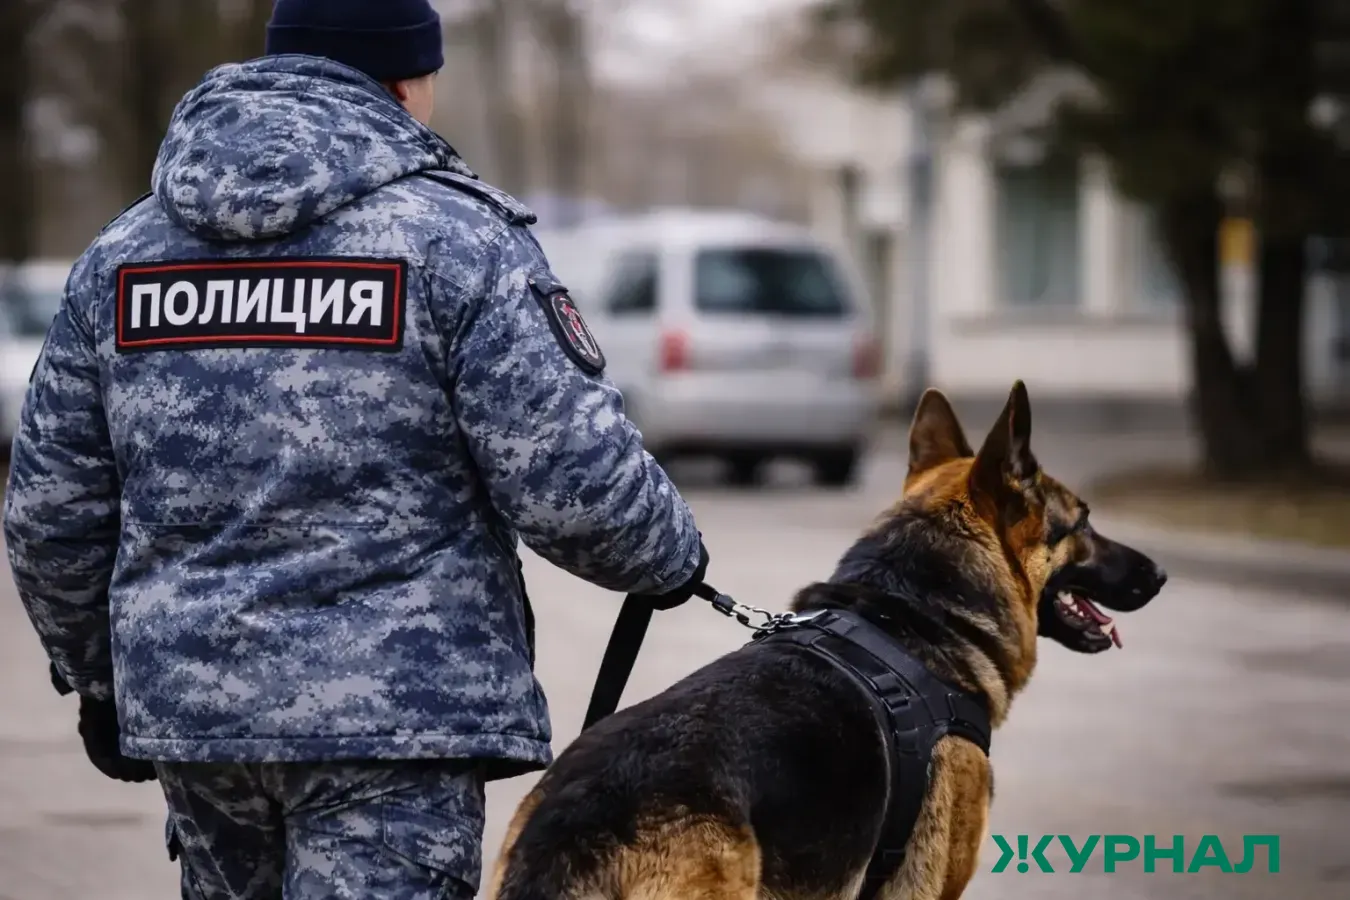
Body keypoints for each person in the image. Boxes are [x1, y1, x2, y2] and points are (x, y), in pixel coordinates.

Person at [1, 0, 709, 897]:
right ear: (404, 82)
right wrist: (671, 560)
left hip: (198, 719)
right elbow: (575, 485)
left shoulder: (121, 257)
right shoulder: (458, 242)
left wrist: (101, 682)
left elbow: (50, 516)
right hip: (397, 727)